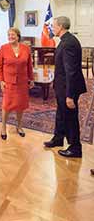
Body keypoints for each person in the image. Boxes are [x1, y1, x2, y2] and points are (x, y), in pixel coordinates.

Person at [44, 16, 86, 158]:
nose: (52, 28)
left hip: (68, 88)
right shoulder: (66, 40)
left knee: (70, 117)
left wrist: (70, 95)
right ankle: (58, 138)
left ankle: (75, 148)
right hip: (62, 86)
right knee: (61, 113)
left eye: (54, 25)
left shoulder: (68, 43)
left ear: (61, 26)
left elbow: (71, 71)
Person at [0, 27, 34, 140]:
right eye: (9, 35)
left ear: (18, 36)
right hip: (9, 82)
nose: (10, 37)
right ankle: (3, 127)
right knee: (6, 105)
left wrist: (31, 79)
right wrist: (1, 80)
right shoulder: (3, 48)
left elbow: (29, 65)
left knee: (20, 105)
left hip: (22, 82)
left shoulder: (26, 48)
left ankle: (19, 126)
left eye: (13, 35)